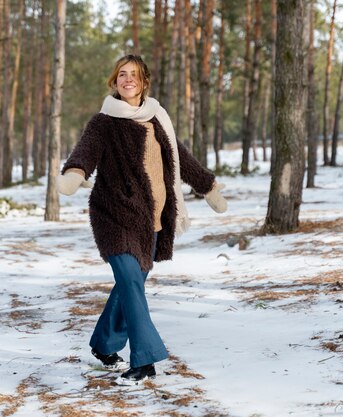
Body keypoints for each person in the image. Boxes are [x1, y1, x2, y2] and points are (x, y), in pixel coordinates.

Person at [56, 55, 227, 386]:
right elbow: (86, 150)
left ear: (144, 81)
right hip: (114, 217)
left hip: (150, 222)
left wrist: (209, 187)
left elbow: (182, 160)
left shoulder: (157, 120)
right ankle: (144, 359)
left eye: (134, 74)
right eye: (122, 74)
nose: (128, 79)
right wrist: (75, 172)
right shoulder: (104, 122)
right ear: (115, 82)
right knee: (132, 284)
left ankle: (105, 346)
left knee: (128, 287)